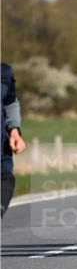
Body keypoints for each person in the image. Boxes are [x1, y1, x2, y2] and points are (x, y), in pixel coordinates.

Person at [1, 62, 27, 218]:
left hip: (2, 154)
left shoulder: (4, 73)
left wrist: (14, 130)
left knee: (6, 179)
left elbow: (10, 101)